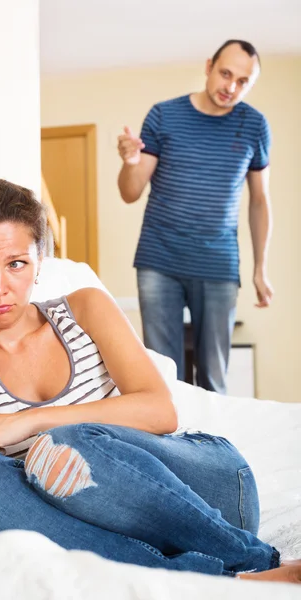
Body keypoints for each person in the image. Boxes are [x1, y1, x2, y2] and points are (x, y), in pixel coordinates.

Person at [0, 178, 300, 584]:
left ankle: (258, 561)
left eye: (16, 263)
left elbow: (160, 410)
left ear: (40, 260)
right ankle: (208, 578)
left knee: (60, 445)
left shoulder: (84, 308)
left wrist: (29, 422)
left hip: (205, 494)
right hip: (105, 526)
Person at [117, 40, 274, 394]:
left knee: (214, 379)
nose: (231, 87)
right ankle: (168, 450)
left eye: (243, 81)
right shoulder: (163, 115)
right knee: (163, 379)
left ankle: (208, 449)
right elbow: (130, 192)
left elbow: (260, 201)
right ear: (209, 66)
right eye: (226, 74)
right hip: (159, 260)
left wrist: (260, 268)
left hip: (218, 264)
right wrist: (129, 163)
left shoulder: (255, 126)